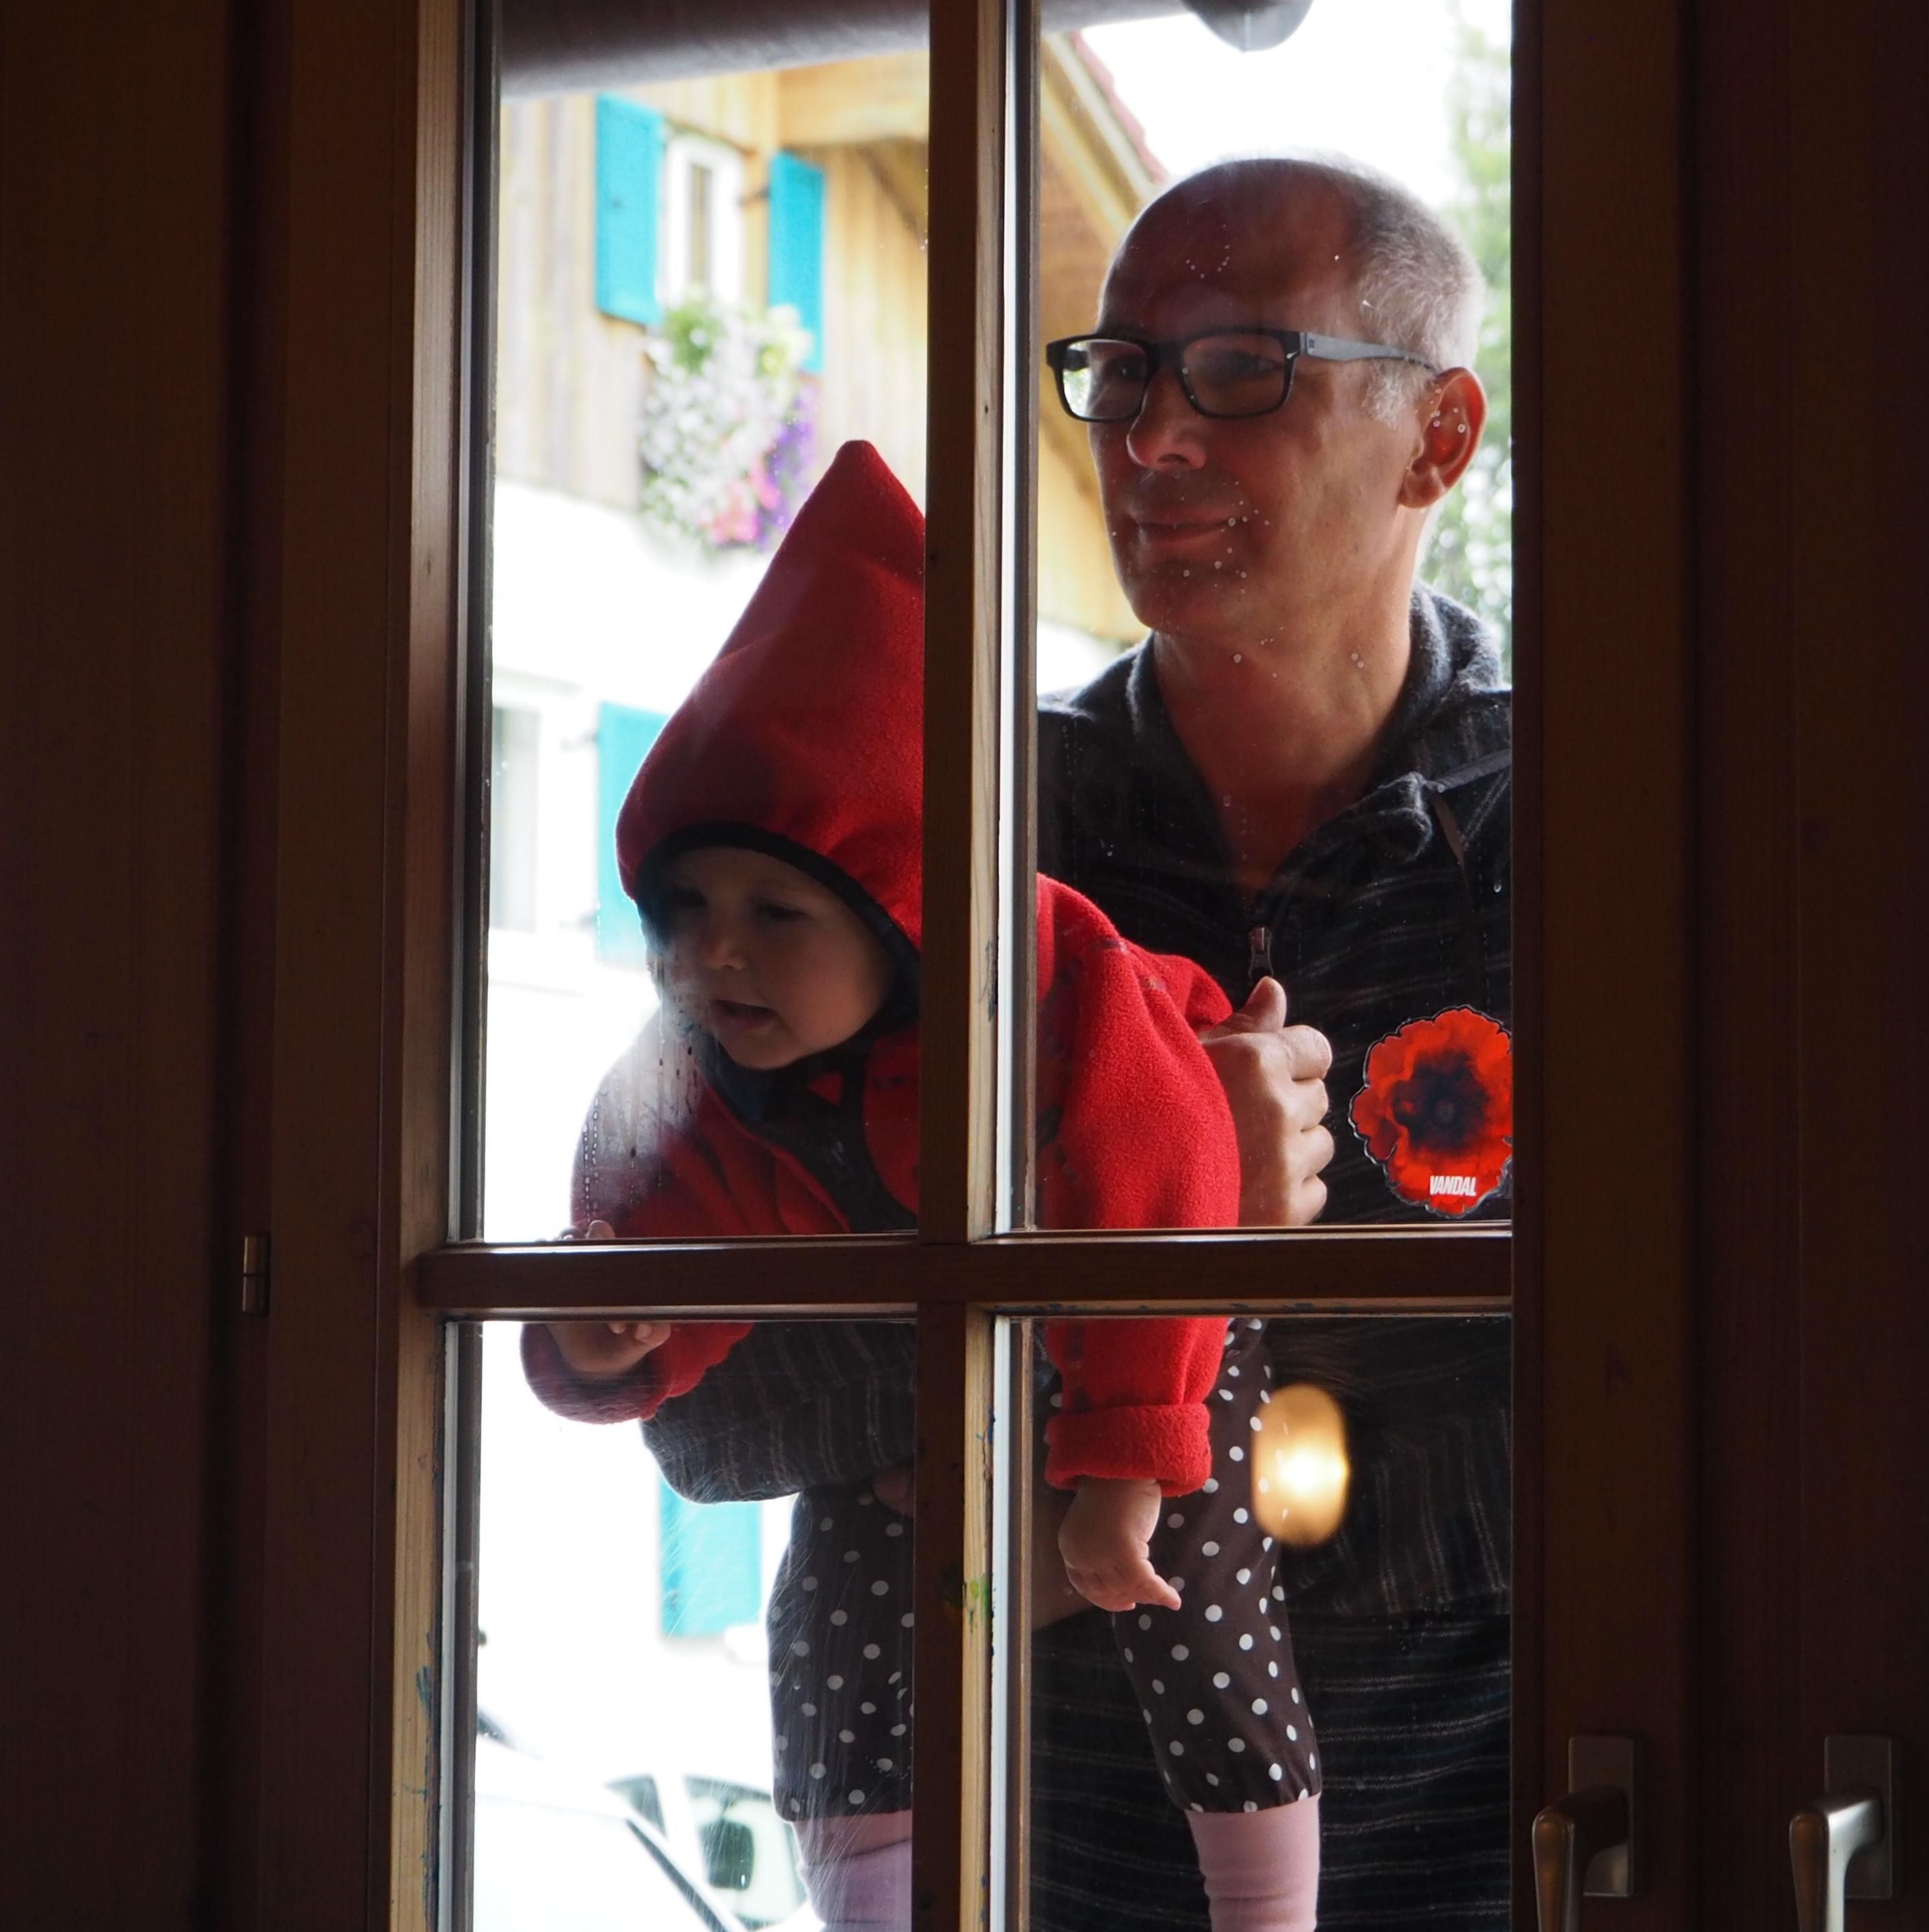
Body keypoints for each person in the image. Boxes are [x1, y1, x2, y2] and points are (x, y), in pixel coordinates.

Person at [632, 153, 1515, 1930]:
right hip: (1026, 1865)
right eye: (1118, 375)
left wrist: (1095, 1427)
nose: (1149, 438)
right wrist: (1123, 1233)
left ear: (1436, 438)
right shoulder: (934, 828)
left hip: (1517, 1846)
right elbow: (703, 1411)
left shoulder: (1589, 841)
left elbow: (1697, 1404)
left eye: (1241, 370)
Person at [521, 441, 1326, 1932]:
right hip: (946, 1364)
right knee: (833, 1614)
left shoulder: (1064, 992)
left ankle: (1266, 1909)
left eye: (777, 913)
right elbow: (653, 1268)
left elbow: (1161, 1206)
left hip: (1154, 1314)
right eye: (682, 908)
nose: (716, 953)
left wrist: (1113, 1466)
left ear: (904, 911)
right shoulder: (698, 1074)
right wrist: (606, 1339)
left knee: (1193, 1583)